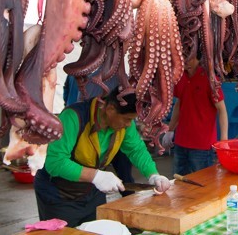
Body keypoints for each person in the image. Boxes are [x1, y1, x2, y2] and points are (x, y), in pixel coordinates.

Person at [34, 89, 171, 227]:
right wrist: (96, 176)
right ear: (110, 109)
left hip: (92, 193)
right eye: (127, 119)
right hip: (59, 196)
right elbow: (55, 162)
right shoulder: (73, 116)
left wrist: (153, 175)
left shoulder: (124, 125)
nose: (129, 124)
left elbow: (136, 149)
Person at [163, 51, 228, 175]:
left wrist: (224, 140)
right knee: (178, 183)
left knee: (204, 184)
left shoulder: (210, 79)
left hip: (202, 146)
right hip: (181, 142)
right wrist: (170, 129)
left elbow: (222, 110)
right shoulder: (180, 77)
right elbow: (179, 103)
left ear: (198, 58)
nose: (186, 60)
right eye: (183, 57)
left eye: (189, 57)